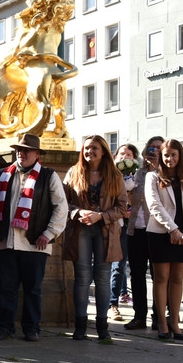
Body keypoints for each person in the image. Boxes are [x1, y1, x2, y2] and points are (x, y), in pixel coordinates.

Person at [0, 134, 68, 342]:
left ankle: (31, 328)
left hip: (35, 243)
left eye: (27, 150)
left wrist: (49, 233)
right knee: (6, 288)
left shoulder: (48, 175)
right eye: (19, 149)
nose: (22, 153)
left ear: (37, 154)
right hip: (6, 241)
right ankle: (6, 327)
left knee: (33, 289)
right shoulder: (4, 174)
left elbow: (61, 208)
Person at [62, 135, 128, 342]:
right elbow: (63, 202)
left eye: (94, 148)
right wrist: (77, 212)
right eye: (87, 148)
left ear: (104, 151)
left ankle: (102, 326)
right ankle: (80, 326)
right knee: (82, 278)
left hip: (105, 231)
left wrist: (101, 216)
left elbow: (122, 207)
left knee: (102, 278)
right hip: (80, 230)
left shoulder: (115, 175)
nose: (90, 152)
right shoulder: (74, 173)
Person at [145, 139, 183, 341]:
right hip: (160, 233)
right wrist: (172, 229)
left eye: (174, 155)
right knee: (161, 278)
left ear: (180, 156)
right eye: (166, 155)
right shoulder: (153, 176)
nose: (170, 159)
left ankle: (175, 322)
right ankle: (163, 323)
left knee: (178, 279)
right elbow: (154, 205)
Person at [124, 136, 164, 331]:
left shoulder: (166, 174)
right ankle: (139, 316)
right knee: (137, 275)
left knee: (159, 275)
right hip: (135, 229)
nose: (153, 151)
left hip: (157, 230)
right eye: (151, 147)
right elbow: (127, 197)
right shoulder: (136, 172)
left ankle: (158, 316)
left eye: (158, 148)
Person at [109, 143, 139, 321]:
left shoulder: (138, 176)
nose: (125, 157)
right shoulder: (110, 175)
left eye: (129, 154)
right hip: (115, 223)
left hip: (133, 224)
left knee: (128, 266)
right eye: (121, 153)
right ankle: (112, 304)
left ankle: (136, 307)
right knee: (117, 266)